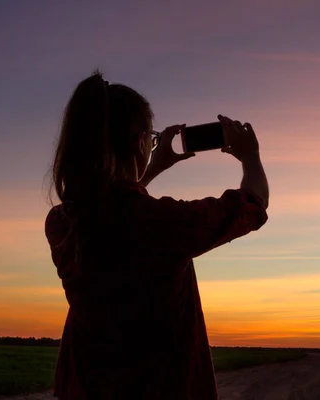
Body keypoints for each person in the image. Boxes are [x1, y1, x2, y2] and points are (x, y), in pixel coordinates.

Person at [45, 70, 269, 399]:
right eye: (150, 140)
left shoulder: (62, 223)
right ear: (138, 143)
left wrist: (154, 166)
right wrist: (251, 156)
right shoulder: (163, 223)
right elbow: (253, 203)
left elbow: (112, 210)